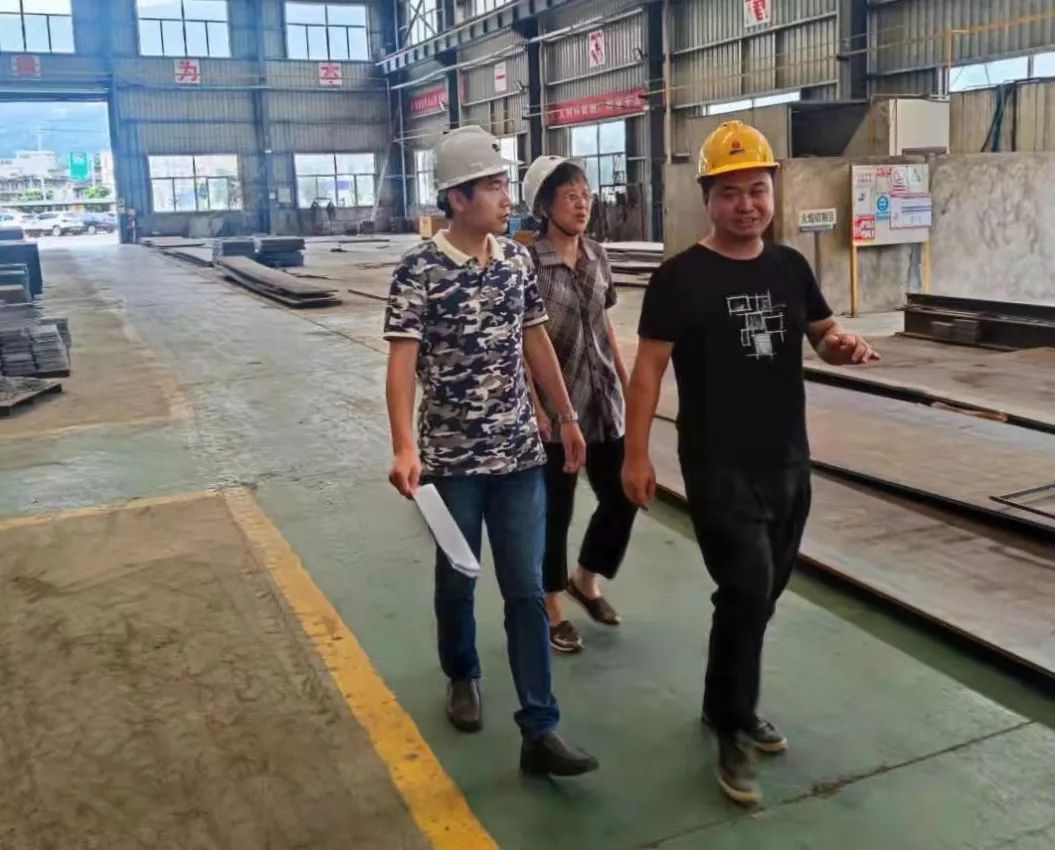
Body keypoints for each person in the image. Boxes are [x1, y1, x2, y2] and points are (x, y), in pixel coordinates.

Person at [621, 121, 880, 805]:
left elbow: (821, 334)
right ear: (707, 197)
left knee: (760, 595)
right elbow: (646, 374)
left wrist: (842, 346)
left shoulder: (789, 268)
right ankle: (735, 726)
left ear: (773, 193)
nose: (746, 205)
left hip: (787, 459)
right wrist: (636, 455)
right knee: (745, 587)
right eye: (731, 192)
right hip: (717, 464)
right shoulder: (679, 279)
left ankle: (721, 703)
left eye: (757, 190)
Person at [384, 126, 599, 777]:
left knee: (525, 590)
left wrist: (565, 416)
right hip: (451, 464)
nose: (508, 197)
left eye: (507, 185)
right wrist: (404, 446)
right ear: (457, 197)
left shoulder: (514, 263)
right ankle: (462, 673)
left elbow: (536, 342)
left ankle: (540, 728)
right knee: (458, 578)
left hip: (519, 458)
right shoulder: (418, 271)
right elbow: (402, 364)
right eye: (495, 186)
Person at [522, 155, 638, 654]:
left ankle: (585, 579)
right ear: (545, 206)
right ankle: (552, 604)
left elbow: (603, 324)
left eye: (585, 195)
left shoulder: (596, 255)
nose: (581, 203)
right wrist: (537, 406)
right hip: (556, 407)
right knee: (556, 510)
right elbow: (520, 340)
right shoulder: (527, 264)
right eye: (570, 196)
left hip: (602, 401)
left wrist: (626, 381)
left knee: (624, 495)